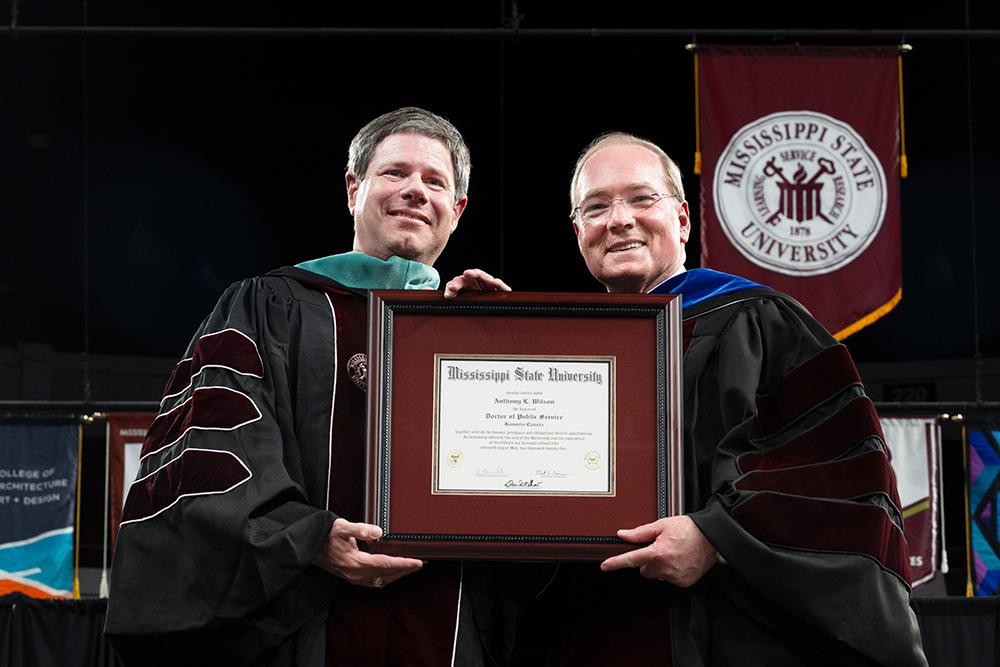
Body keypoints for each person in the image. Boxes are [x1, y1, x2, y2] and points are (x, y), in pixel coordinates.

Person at [447, 133, 927, 666]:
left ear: (681, 220)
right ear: (579, 231)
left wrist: (717, 536)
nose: (619, 219)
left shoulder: (757, 322)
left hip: (726, 632)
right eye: (597, 206)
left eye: (640, 198)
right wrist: (487, 346)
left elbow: (839, 478)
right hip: (589, 627)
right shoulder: (563, 355)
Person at [105, 107, 511, 666]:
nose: (415, 190)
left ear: (457, 210)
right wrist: (306, 537)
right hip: (299, 623)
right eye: (395, 173)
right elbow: (209, 456)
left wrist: (511, 340)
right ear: (354, 188)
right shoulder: (267, 308)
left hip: (449, 620)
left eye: (434, 181)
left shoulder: (479, 323)